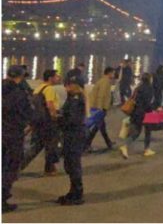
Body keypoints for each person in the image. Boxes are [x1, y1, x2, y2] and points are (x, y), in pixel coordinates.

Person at [2, 65, 32, 213]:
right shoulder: (20, 93)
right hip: (13, 134)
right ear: (20, 77)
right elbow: (27, 113)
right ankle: (2, 198)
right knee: (12, 166)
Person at [22, 69, 62, 175]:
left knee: (37, 146)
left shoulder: (39, 88)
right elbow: (49, 104)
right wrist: (54, 116)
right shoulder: (49, 89)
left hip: (39, 121)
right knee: (51, 145)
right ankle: (49, 169)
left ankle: (18, 166)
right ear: (50, 78)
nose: (58, 78)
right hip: (48, 121)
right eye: (56, 76)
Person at [57, 76, 87, 206]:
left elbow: (72, 119)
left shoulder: (76, 99)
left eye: (68, 85)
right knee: (70, 164)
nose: (66, 87)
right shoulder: (74, 98)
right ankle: (73, 191)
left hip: (74, 135)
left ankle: (77, 194)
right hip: (73, 134)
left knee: (73, 164)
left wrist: (59, 119)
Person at [119, 73, 155, 159]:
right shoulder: (149, 88)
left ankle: (125, 146)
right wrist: (152, 110)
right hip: (144, 113)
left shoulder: (138, 88)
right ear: (149, 79)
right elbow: (147, 103)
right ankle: (146, 149)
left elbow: (133, 99)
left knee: (136, 132)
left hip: (135, 112)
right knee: (148, 131)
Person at [85, 67, 116, 152]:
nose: (114, 75)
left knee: (101, 126)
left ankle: (108, 142)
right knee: (97, 127)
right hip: (99, 108)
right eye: (113, 73)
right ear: (109, 73)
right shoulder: (105, 82)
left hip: (97, 106)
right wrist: (100, 108)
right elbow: (101, 95)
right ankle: (87, 144)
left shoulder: (102, 80)